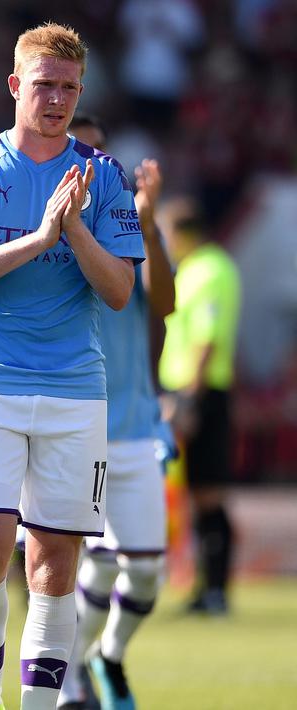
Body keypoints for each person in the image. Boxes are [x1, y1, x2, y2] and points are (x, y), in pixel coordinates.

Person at [0, 24, 145, 710]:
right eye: (43, 84)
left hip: (74, 390)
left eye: (68, 87)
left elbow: (119, 291)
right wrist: (38, 237)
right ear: (14, 85)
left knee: (54, 563)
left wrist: (73, 228)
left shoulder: (102, 175)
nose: (56, 99)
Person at [57, 116, 176, 710]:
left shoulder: (130, 228)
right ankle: (70, 677)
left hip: (134, 427)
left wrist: (149, 226)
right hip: (80, 427)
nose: (94, 162)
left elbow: (166, 306)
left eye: (102, 152)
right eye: (83, 150)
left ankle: (106, 655)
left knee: (147, 569)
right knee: (95, 564)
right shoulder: (50, 227)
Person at [156, 197, 241, 616]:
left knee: (209, 493)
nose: (166, 244)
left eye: (167, 234)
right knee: (194, 493)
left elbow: (208, 340)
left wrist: (189, 399)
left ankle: (216, 590)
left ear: (185, 233)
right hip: (185, 392)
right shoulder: (192, 269)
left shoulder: (210, 270)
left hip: (202, 393)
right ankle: (206, 588)